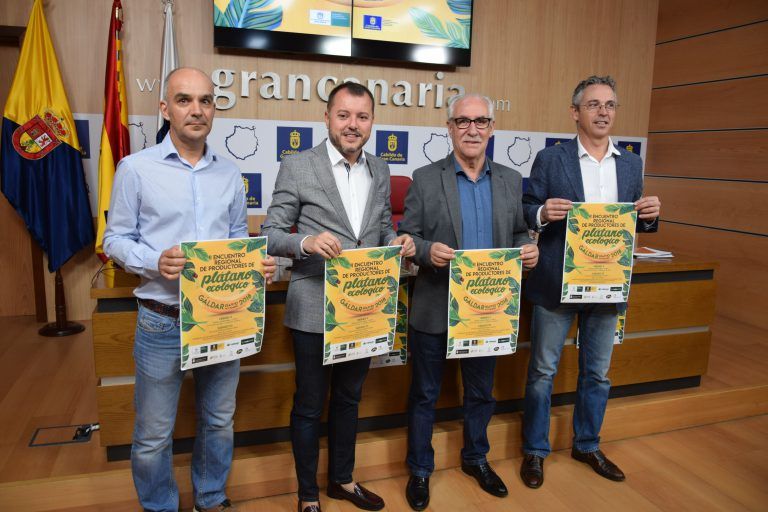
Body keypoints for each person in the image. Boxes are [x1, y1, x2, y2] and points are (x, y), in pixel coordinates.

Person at [103, 67, 276, 512]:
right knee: (153, 434)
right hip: (162, 320)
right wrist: (153, 261)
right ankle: (160, 506)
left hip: (223, 318)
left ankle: (211, 498)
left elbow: (238, 237)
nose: (196, 110)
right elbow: (115, 240)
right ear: (165, 109)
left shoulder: (229, 173)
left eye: (205, 101)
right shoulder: (135, 169)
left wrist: (255, 266)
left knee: (218, 421)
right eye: (184, 100)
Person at [262, 81, 415, 512]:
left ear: (372, 122)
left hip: (364, 306)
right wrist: (306, 242)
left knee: (350, 399)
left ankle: (342, 481)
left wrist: (397, 241)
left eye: (362, 116)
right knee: (310, 404)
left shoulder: (381, 169)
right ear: (327, 117)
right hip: (313, 305)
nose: (353, 124)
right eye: (344, 115)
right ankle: (308, 494)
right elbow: (270, 233)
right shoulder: (298, 165)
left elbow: (382, 227)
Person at [397, 93, 539, 511]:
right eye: (463, 122)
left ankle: (476, 458)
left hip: (488, 310)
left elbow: (516, 233)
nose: (472, 129)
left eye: (480, 122)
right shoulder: (424, 178)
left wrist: (527, 249)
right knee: (424, 395)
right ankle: (420, 469)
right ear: (450, 128)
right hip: (435, 305)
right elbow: (410, 236)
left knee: (481, 393)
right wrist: (426, 251)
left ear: (492, 128)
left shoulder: (512, 180)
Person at [519, 75, 661, 489]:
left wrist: (650, 214)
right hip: (555, 284)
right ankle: (535, 450)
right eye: (594, 104)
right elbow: (527, 209)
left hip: (608, 285)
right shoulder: (552, 159)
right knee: (543, 371)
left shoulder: (631, 163)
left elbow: (637, 221)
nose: (603, 112)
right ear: (575, 112)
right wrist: (544, 212)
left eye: (610, 105)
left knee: (597, 373)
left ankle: (587, 444)